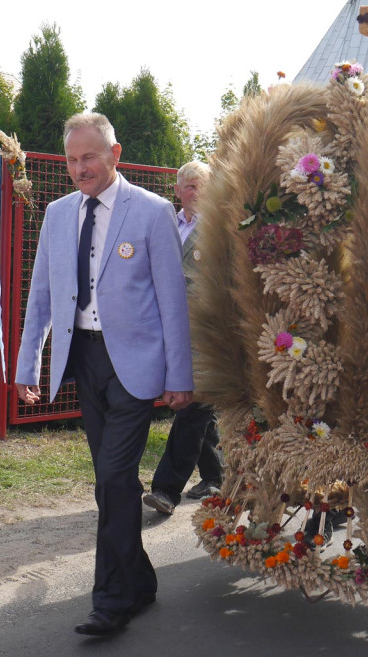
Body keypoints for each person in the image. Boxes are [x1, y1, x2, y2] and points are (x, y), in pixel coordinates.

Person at [14, 113, 193, 637]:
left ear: (115, 154)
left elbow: (173, 301)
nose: (79, 169)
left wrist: (180, 376)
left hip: (135, 366)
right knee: (110, 484)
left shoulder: (153, 212)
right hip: (83, 360)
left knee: (114, 478)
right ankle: (140, 579)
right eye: (71, 160)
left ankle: (112, 601)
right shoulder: (58, 214)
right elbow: (41, 295)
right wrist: (28, 364)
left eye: (88, 157)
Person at [143, 161, 224, 515]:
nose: (196, 192)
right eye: (189, 186)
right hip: (166, 327)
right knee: (199, 407)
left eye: (202, 185)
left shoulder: (219, 229)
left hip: (204, 331)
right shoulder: (165, 224)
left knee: (194, 404)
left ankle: (166, 489)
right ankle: (216, 475)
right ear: (177, 191)